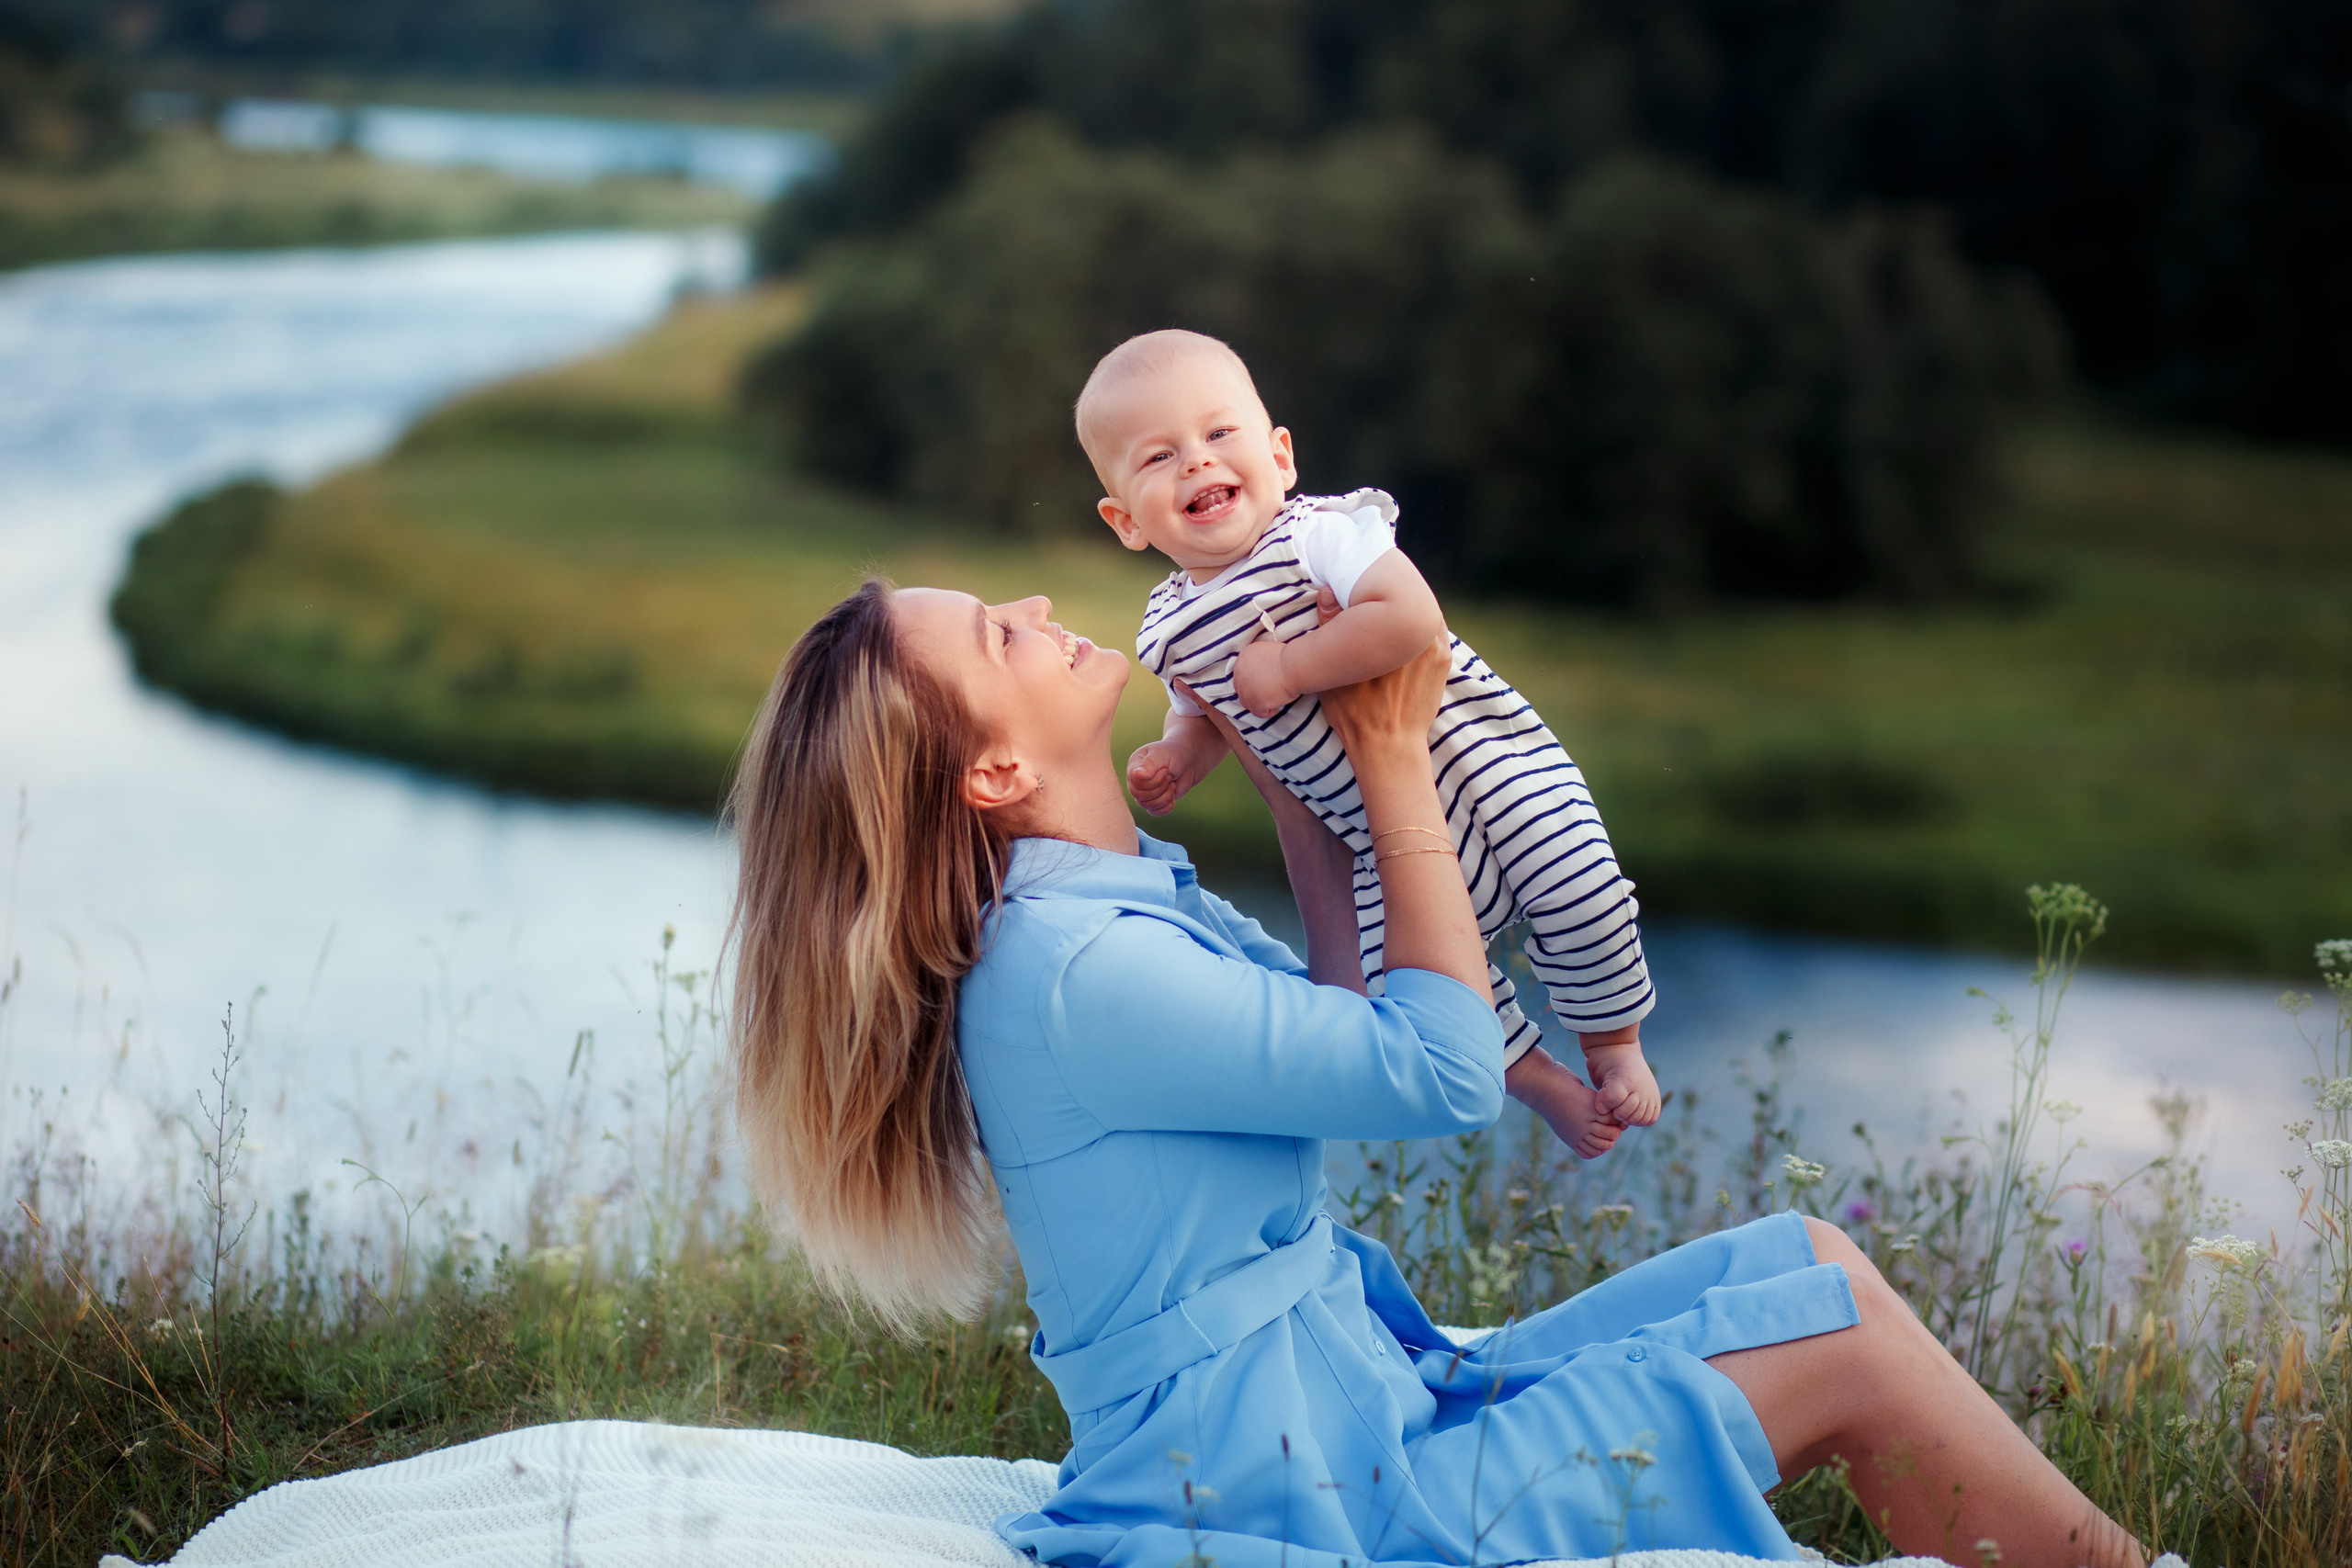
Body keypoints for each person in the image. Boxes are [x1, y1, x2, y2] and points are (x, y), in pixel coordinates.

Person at [725, 578, 2144, 1567]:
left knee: (1805, 1251)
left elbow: (1351, 1007)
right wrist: (1396, 755)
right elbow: (1438, 1070)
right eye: (997, 634)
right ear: (987, 774)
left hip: (1336, 1421)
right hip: (1303, 1500)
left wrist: (1302, 763)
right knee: (1842, 1342)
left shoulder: (1102, 909)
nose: (1037, 611)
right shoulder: (1081, 970)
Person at [1084, 328, 1654, 1161]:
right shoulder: (1170, 627)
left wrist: (1287, 666)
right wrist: (1176, 756)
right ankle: (1539, 1081)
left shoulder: (1322, 535)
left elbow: (1409, 617)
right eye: (1159, 457)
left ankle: (1612, 1040)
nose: (1198, 464)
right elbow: (1208, 716)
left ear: (1280, 456)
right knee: (1414, 980)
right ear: (1126, 521)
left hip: (1487, 765)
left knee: (1578, 888)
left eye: (1218, 434)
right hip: (1374, 834)